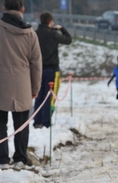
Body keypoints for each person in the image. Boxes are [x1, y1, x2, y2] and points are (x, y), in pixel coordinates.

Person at [0, 0, 42, 170]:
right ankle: (20, 159)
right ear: (23, 10)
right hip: (23, 84)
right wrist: (35, 88)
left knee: (0, 124)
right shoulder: (30, 34)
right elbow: (36, 65)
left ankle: (2, 159)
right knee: (21, 125)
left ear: (4, 8)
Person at [33, 11, 72, 129]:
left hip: (38, 69)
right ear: (51, 22)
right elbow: (68, 40)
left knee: (39, 96)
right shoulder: (53, 34)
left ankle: (37, 121)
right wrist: (62, 29)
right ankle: (46, 121)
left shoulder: (35, 33)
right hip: (52, 69)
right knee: (50, 96)